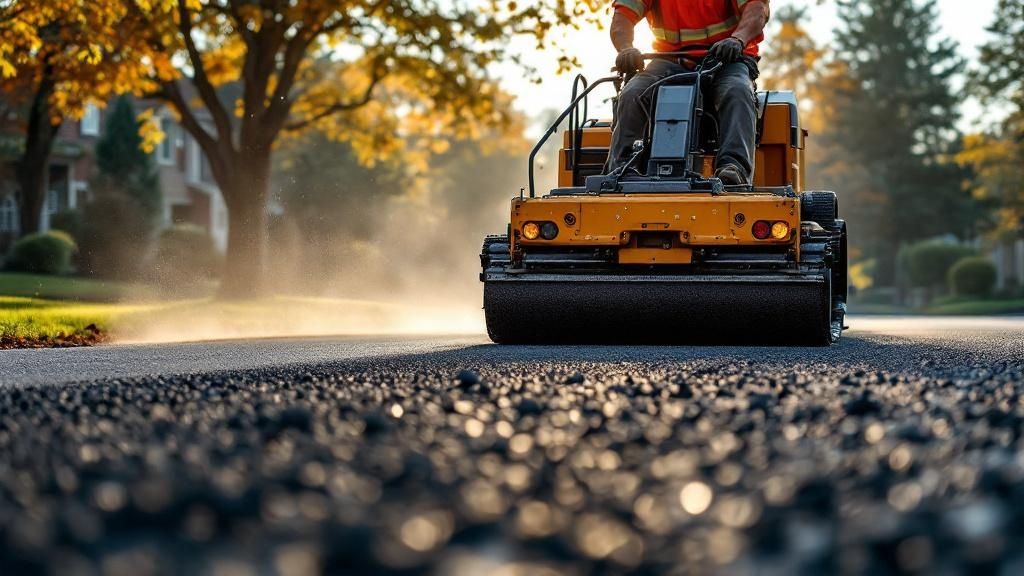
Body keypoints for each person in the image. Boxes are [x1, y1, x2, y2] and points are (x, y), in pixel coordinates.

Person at [607, 0, 770, 185]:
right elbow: (622, 17)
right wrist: (626, 48)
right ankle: (621, 169)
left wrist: (737, 39)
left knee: (737, 91)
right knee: (633, 93)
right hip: (668, 59)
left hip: (727, 58)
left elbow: (757, 10)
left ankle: (733, 170)